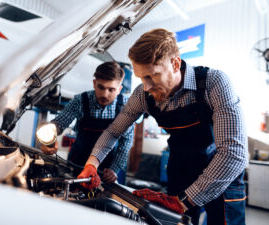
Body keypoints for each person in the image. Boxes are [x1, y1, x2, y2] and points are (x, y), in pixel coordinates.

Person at [77, 28, 247, 225]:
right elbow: (114, 131)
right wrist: (92, 163)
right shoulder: (143, 94)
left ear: (175, 63)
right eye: (142, 78)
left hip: (222, 173)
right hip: (181, 170)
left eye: (152, 76)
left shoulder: (214, 83)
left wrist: (183, 201)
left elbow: (234, 153)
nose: (146, 87)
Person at [41, 61, 135, 185]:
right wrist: (49, 137)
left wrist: (114, 169)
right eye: (101, 87)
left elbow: (126, 143)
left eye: (111, 89)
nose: (104, 94)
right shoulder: (81, 100)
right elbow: (59, 123)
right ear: (94, 83)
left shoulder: (126, 107)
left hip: (105, 169)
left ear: (119, 89)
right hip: (77, 164)